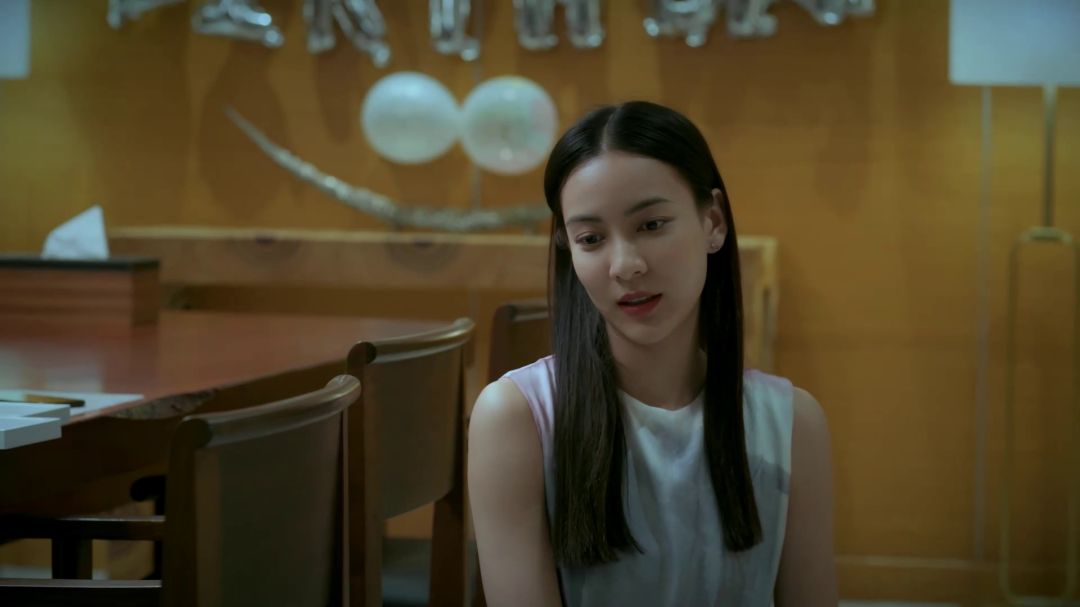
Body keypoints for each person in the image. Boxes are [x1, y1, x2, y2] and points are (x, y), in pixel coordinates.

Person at [468, 101, 837, 607]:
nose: (625, 265)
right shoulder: (516, 419)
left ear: (713, 222)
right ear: (569, 249)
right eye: (591, 238)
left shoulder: (792, 424)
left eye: (651, 225)